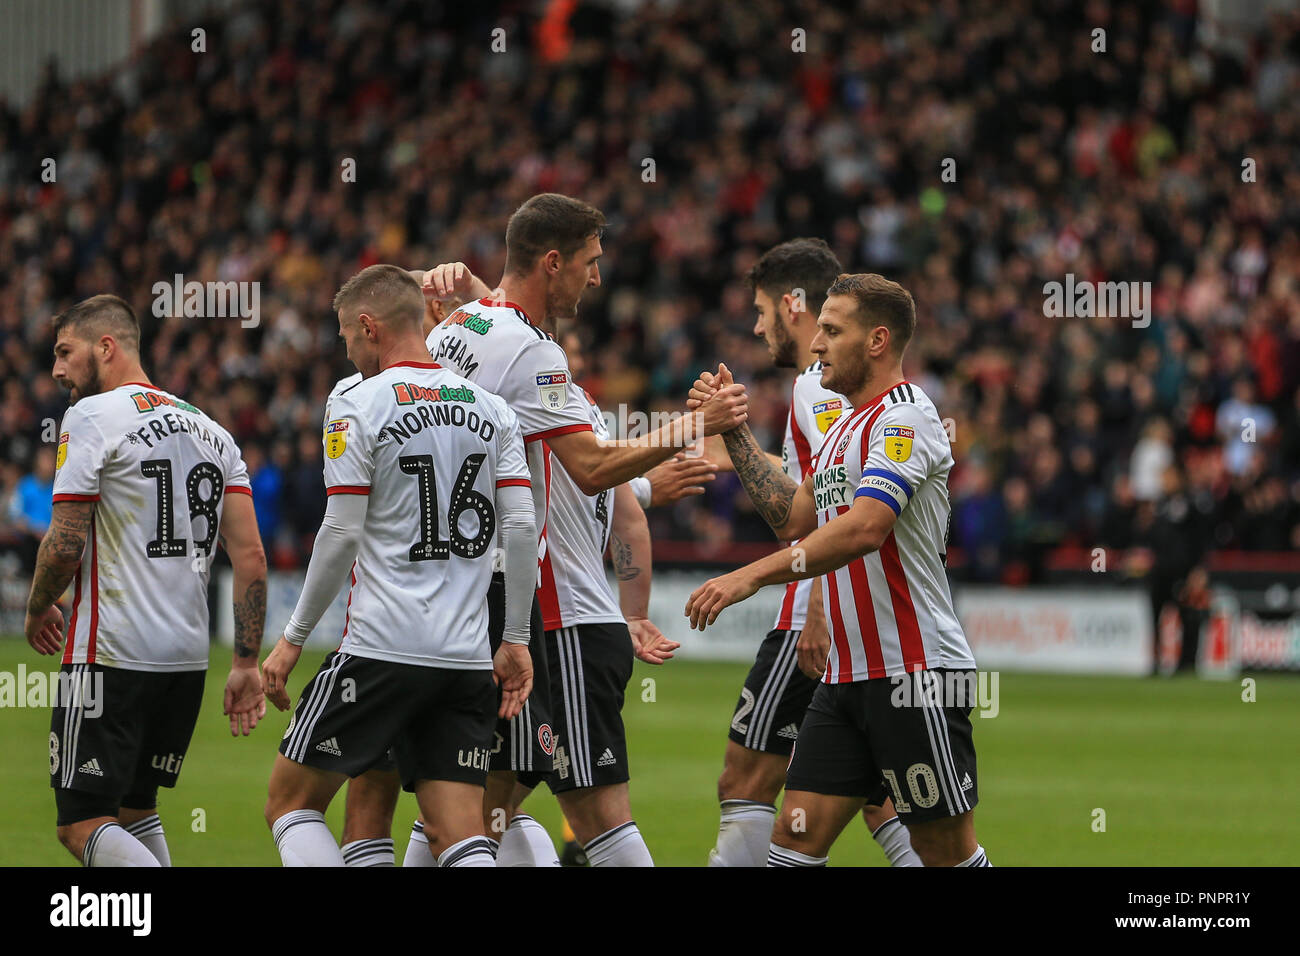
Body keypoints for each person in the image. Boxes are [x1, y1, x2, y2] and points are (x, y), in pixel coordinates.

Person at [424, 193, 744, 865]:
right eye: (590, 262)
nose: (596, 277)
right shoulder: (537, 358)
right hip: (555, 618)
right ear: (553, 262)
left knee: (469, 810)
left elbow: (600, 485)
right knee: (580, 816)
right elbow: (595, 470)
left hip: (470, 602)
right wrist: (698, 426)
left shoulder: (453, 331)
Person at [685, 273, 990, 867]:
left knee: (944, 854)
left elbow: (865, 527)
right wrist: (736, 434)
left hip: (914, 674)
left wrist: (749, 576)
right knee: (794, 841)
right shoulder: (844, 427)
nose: (816, 343)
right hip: (845, 679)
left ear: (877, 341)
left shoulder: (907, 417)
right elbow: (794, 517)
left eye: (831, 330)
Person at [260, 265, 536, 868]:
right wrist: (514, 637)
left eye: (345, 335)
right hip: (465, 659)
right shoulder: (493, 411)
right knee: (457, 833)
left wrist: (291, 640)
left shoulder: (357, 402)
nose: (347, 349)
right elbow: (519, 529)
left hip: (382, 649)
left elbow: (340, 531)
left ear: (368, 327)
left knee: (290, 804)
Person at [27, 294, 267, 867]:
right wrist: (245, 662)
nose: (56, 369)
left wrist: (37, 606)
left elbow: (65, 539)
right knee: (136, 810)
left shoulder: (90, 417)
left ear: (105, 347)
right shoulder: (212, 432)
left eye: (65, 352)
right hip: (185, 661)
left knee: (80, 822)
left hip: (111, 653)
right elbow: (251, 556)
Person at [697, 239, 916, 867]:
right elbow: (811, 490)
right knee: (873, 790)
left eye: (763, 310)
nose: (759, 325)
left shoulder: (817, 387)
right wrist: (735, 448)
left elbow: (837, 509)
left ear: (792, 303)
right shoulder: (834, 392)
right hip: (852, 612)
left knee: (744, 779)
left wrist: (819, 607)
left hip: (814, 611)